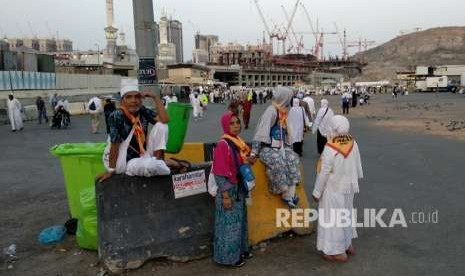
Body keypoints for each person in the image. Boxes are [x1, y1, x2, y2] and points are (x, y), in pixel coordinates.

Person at [99, 79, 183, 182]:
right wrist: (111, 169)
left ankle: (158, 160)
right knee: (151, 167)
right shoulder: (117, 116)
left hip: (143, 154)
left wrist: (155, 97)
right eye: (129, 97)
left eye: (136, 97)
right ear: (122, 101)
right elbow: (114, 145)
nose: (133, 100)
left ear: (141, 99)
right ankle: (168, 163)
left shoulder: (141, 110)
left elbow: (165, 120)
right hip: (126, 161)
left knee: (162, 126)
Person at [312, 115, 363, 263]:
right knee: (346, 215)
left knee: (332, 220)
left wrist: (317, 192)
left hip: (333, 189)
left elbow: (324, 172)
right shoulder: (352, 142)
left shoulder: (330, 147)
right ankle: (348, 245)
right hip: (349, 187)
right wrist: (355, 179)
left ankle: (337, 251)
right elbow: (357, 164)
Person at [212, 112, 255, 267]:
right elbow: (219, 172)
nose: (236, 125)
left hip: (239, 189)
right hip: (228, 191)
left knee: (240, 223)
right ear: (225, 125)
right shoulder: (223, 145)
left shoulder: (238, 142)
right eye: (232, 123)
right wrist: (225, 196)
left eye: (237, 122)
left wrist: (249, 160)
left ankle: (240, 250)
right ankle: (228, 258)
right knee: (228, 226)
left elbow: (239, 163)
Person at [252, 87, 301, 208]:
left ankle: (290, 195)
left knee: (292, 158)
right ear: (284, 98)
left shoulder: (283, 111)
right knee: (277, 160)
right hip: (266, 148)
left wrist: (289, 149)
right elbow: (261, 133)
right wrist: (254, 153)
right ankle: (283, 190)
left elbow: (286, 133)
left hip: (280, 147)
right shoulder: (271, 111)